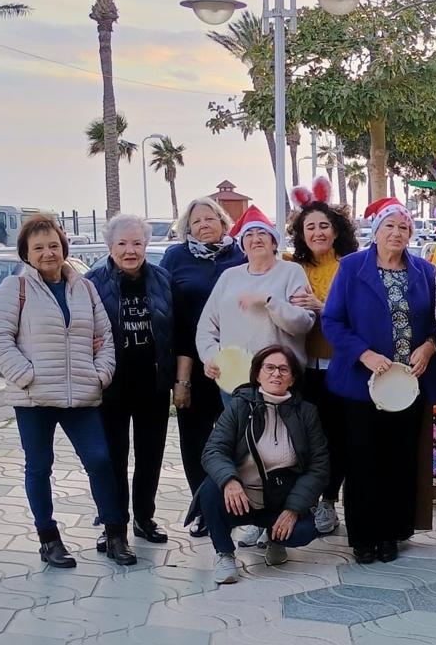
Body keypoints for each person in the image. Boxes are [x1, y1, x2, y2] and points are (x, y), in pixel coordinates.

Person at [0, 214, 136, 567]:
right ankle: (49, 539)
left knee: (100, 461)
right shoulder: (15, 288)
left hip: (82, 394)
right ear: (26, 253)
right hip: (34, 397)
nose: (48, 253)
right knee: (39, 467)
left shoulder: (83, 287)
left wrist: (101, 373)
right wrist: (26, 375)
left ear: (64, 247)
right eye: (38, 248)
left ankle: (115, 535)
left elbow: (105, 336)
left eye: (53, 245)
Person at [322, 197, 436, 564]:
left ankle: (392, 532)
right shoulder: (352, 267)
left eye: (403, 227)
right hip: (362, 385)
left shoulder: (425, 271)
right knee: (362, 460)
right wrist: (364, 353)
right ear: (375, 232)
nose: (397, 233)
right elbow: (332, 321)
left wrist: (429, 346)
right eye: (389, 226)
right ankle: (363, 536)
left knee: (400, 459)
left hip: (408, 384)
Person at [191, 345, 329, 585]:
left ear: (293, 378)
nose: (276, 374)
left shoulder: (306, 413)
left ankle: (276, 537)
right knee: (213, 488)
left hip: (279, 498)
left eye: (284, 369)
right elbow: (213, 450)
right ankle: (224, 554)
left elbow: (319, 466)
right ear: (257, 374)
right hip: (240, 497)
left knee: (304, 531)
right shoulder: (240, 405)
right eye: (270, 368)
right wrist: (230, 480)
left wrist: (293, 509)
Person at [87, 214, 175, 551]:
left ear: (146, 245)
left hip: (153, 383)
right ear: (110, 246)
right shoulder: (92, 283)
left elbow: (175, 330)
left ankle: (144, 517)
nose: (130, 250)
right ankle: (113, 523)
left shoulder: (163, 280)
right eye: (122, 243)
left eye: (137, 243)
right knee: (113, 458)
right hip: (111, 385)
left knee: (150, 456)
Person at [161, 197, 246, 536]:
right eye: (196, 222)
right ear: (187, 228)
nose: (204, 225)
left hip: (237, 365)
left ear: (223, 223)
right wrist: (179, 379)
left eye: (210, 218)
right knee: (195, 441)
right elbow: (168, 315)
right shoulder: (175, 258)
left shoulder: (239, 255)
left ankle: (236, 504)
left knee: (236, 439)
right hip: (192, 365)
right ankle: (203, 509)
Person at [280, 184, 358, 537]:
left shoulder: (351, 267)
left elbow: (361, 316)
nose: (317, 232)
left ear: (337, 230)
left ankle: (329, 499)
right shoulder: (290, 267)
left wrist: (322, 307)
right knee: (303, 437)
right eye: (309, 227)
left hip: (339, 366)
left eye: (324, 226)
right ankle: (300, 501)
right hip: (298, 367)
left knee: (336, 437)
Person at [197, 205, 315, 380]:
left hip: (278, 378)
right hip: (233, 378)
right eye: (249, 235)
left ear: (274, 242)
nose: (256, 239)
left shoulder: (291, 272)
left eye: (262, 233)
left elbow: (303, 324)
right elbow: (206, 327)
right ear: (242, 245)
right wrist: (211, 356)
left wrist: (269, 300)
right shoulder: (229, 276)